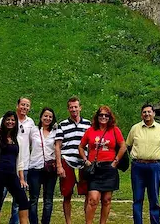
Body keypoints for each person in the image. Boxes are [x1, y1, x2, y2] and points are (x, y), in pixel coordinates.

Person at [78, 105, 126, 224]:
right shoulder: (90, 130)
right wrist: (85, 159)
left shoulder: (114, 130)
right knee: (93, 199)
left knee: (106, 200)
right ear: (97, 116)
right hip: (95, 168)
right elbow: (81, 146)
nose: (103, 117)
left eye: (106, 115)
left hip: (109, 168)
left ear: (110, 117)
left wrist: (116, 161)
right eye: (101, 115)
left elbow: (123, 146)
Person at [0, 111, 31, 224]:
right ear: (4, 121)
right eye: (8, 120)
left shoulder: (18, 140)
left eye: (13, 120)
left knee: (23, 200)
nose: (10, 122)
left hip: (12, 175)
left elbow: (20, 162)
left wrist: (22, 179)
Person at [126, 103, 160, 224]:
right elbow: (128, 146)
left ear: (154, 114)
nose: (147, 114)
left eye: (149, 112)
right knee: (137, 198)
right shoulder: (135, 128)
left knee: (154, 198)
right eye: (144, 112)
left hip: (154, 166)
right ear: (141, 114)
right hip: (138, 167)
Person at [0, 97, 36, 224]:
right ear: (17, 105)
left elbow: (33, 141)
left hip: (22, 164)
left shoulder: (30, 122)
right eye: (22, 104)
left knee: (19, 200)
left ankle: (14, 222)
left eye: (27, 105)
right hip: (5, 164)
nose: (24, 107)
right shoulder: (7, 119)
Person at [54, 96, 91, 224]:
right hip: (67, 161)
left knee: (87, 194)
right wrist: (59, 165)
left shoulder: (88, 124)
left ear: (80, 107)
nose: (73, 109)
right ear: (68, 109)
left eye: (76, 107)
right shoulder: (62, 124)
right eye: (71, 107)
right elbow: (57, 146)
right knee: (67, 194)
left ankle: (88, 220)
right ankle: (68, 222)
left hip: (83, 163)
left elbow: (91, 144)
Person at [28, 107, 59, 224]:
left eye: (50, 116)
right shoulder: (34, 130)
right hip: (35, 167)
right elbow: (27, 145)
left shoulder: (55, 131)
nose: (47, 118)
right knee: (33, 199)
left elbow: (59, 148)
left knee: (48, 200)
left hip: (50, 169)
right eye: (45, 116)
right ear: (41, 117)